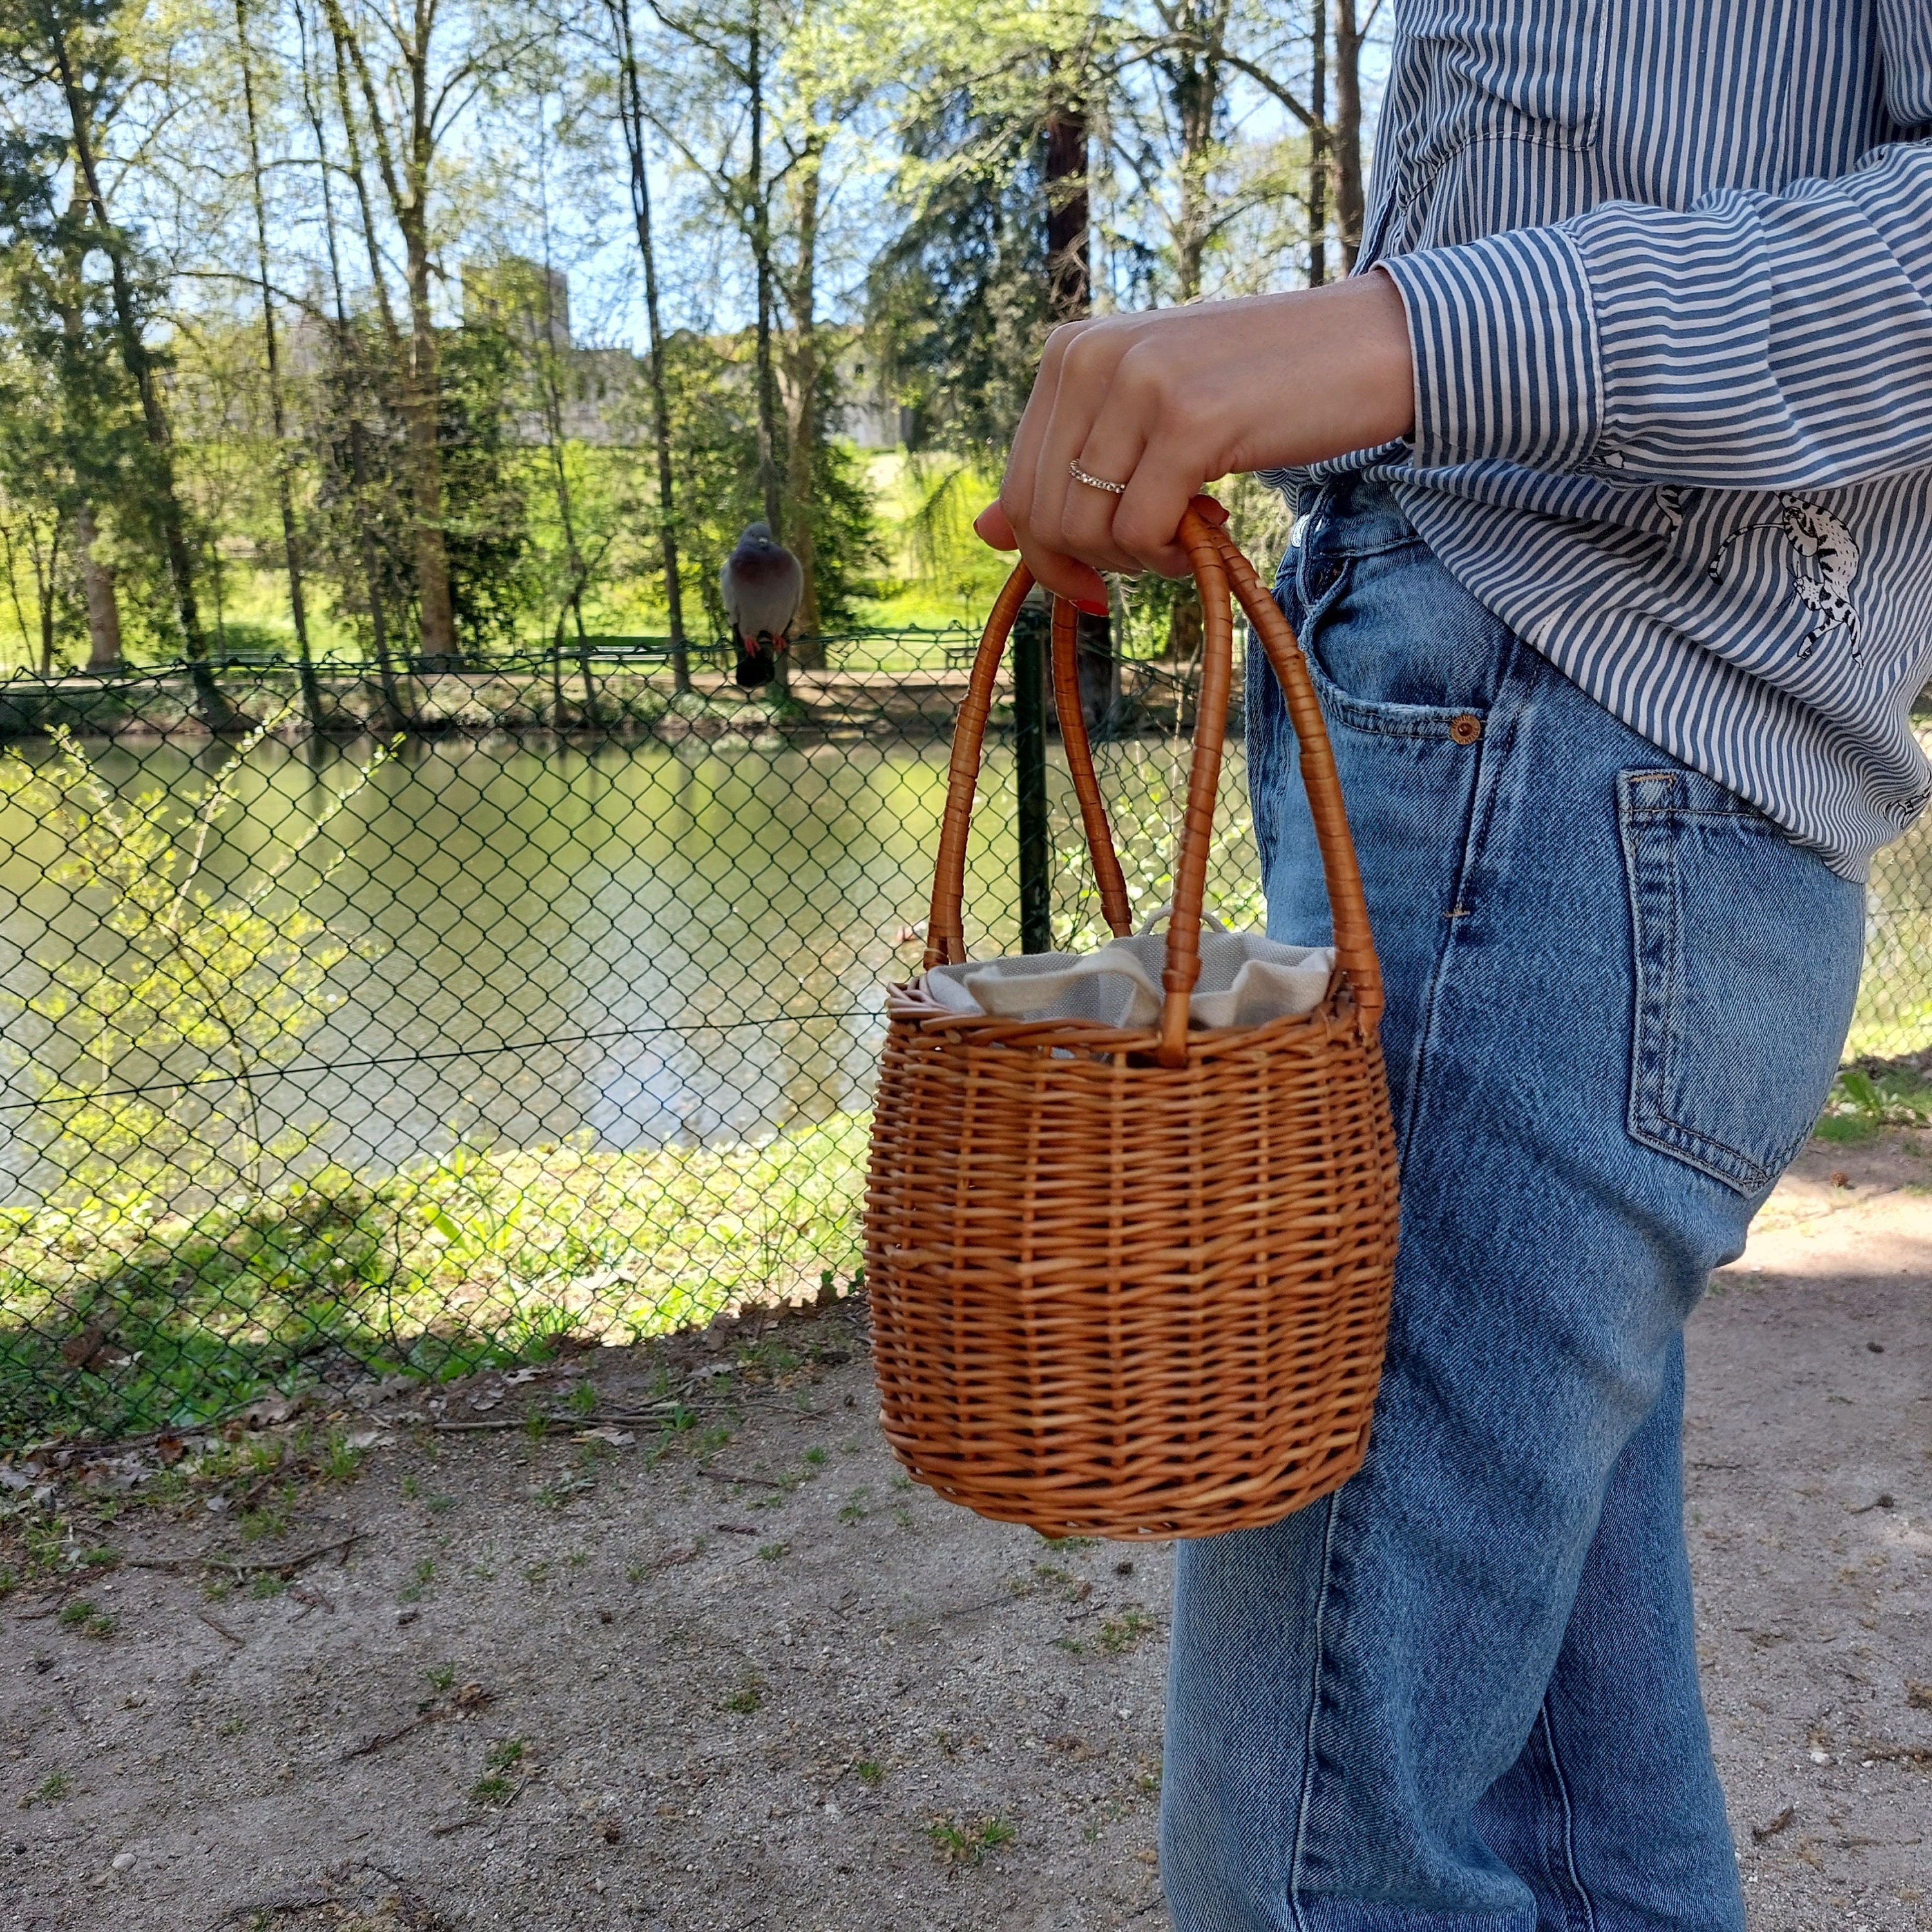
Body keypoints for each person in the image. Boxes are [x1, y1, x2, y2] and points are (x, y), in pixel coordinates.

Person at [976, 5, 1932, 1927]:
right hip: (1516, 769)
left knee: (1321, 1856)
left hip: (1569, 764)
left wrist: (1383, 340)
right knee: (1583, 1816)